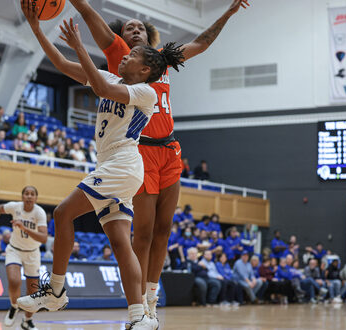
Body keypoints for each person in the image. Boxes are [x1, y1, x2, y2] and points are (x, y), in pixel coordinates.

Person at [67, 0, 249, 319]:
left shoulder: (162, 61)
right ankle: (137, 306)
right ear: (121, 38)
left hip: (170, 149)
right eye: (128, 27)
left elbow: (201, 43)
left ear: (149, 34)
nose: (135, 29)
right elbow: (89, 15)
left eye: (140, 26)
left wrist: (229, 12)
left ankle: (152, 296)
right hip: (142, 150)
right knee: (145, 231)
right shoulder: (118, 57)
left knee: (165, 228)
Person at [18, 4, 184, 329]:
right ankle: (140, 317)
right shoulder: (109, 75)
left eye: (133, 55)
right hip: (115, 166)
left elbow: (105, 90)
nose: (124, 55)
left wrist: (81, 47)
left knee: (62, 214)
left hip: (123, 165)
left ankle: (54, 290)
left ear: (145, 69)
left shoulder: (145, 93)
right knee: (122, 243)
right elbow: (61, 64)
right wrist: (37, 28)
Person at [0, 186, 47, 329]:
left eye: (32, 194)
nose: (29, 196)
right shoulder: (15, 207)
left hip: (32, 252)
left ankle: (27, 321)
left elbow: (43, 238)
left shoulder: (39, 213)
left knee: (33, 292)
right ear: (22, 196)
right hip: (14, 250)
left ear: (36, 198)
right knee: (14, 280)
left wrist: (24, 228)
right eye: (26, 193)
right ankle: (13, 306)